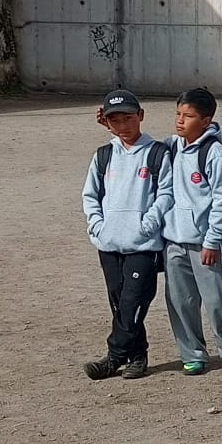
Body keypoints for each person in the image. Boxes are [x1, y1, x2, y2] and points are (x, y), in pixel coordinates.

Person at [82, 90, 174, 380]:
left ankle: (113, 356)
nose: (123, 125)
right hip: (109, 243)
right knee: (119, 302)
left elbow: (166, 194)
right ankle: (137, 355)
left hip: (143, 245)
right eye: (115, 120)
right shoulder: (104, 155)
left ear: (141, 116)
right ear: (107, 123)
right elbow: (91, 195)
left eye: (128, 118)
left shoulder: (157, 153)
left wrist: (147, 224)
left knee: (133, 301)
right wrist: (98, 225)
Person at [161, 87, 222, 377]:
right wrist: (111, 126)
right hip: (173, 241)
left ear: (207, 120)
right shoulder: (170, 147)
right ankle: (192, 353)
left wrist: (213, 240)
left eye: (188, 116)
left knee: (216, 299)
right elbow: (138, 146)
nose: (180, 121)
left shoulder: (216, 154)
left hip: (205, 244)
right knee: (180, 300)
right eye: (178, 114)